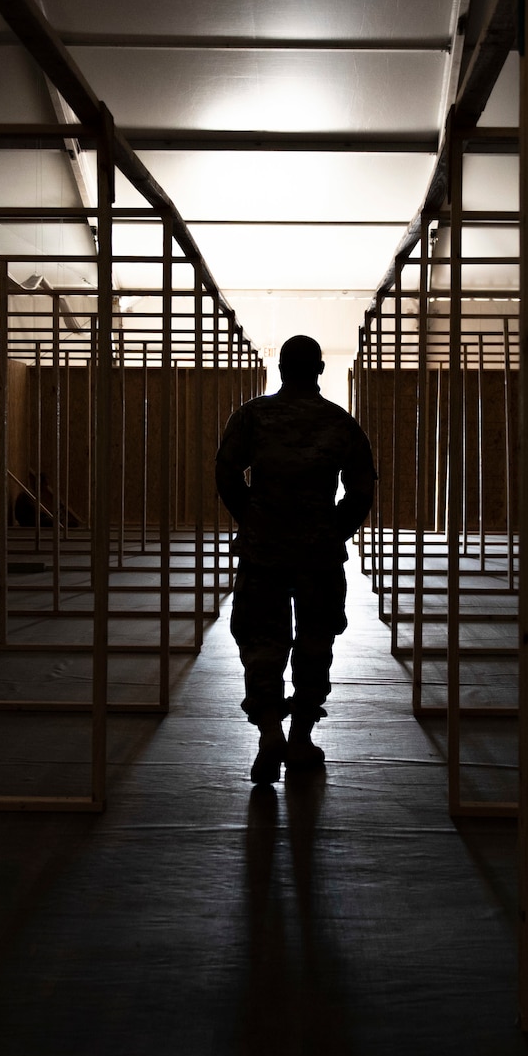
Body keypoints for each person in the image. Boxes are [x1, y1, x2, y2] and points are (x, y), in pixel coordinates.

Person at [214, 335, 376, 783]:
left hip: (264, 549)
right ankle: (300, 738)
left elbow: (225, 470)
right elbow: (361, 489)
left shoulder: (253, 416)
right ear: (320, 370)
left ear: (281, 368)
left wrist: (251, 517)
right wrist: (332, 529)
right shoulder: (339, 422)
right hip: (318, 553)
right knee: (315, 641)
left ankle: (270, 733)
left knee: (261, 643)